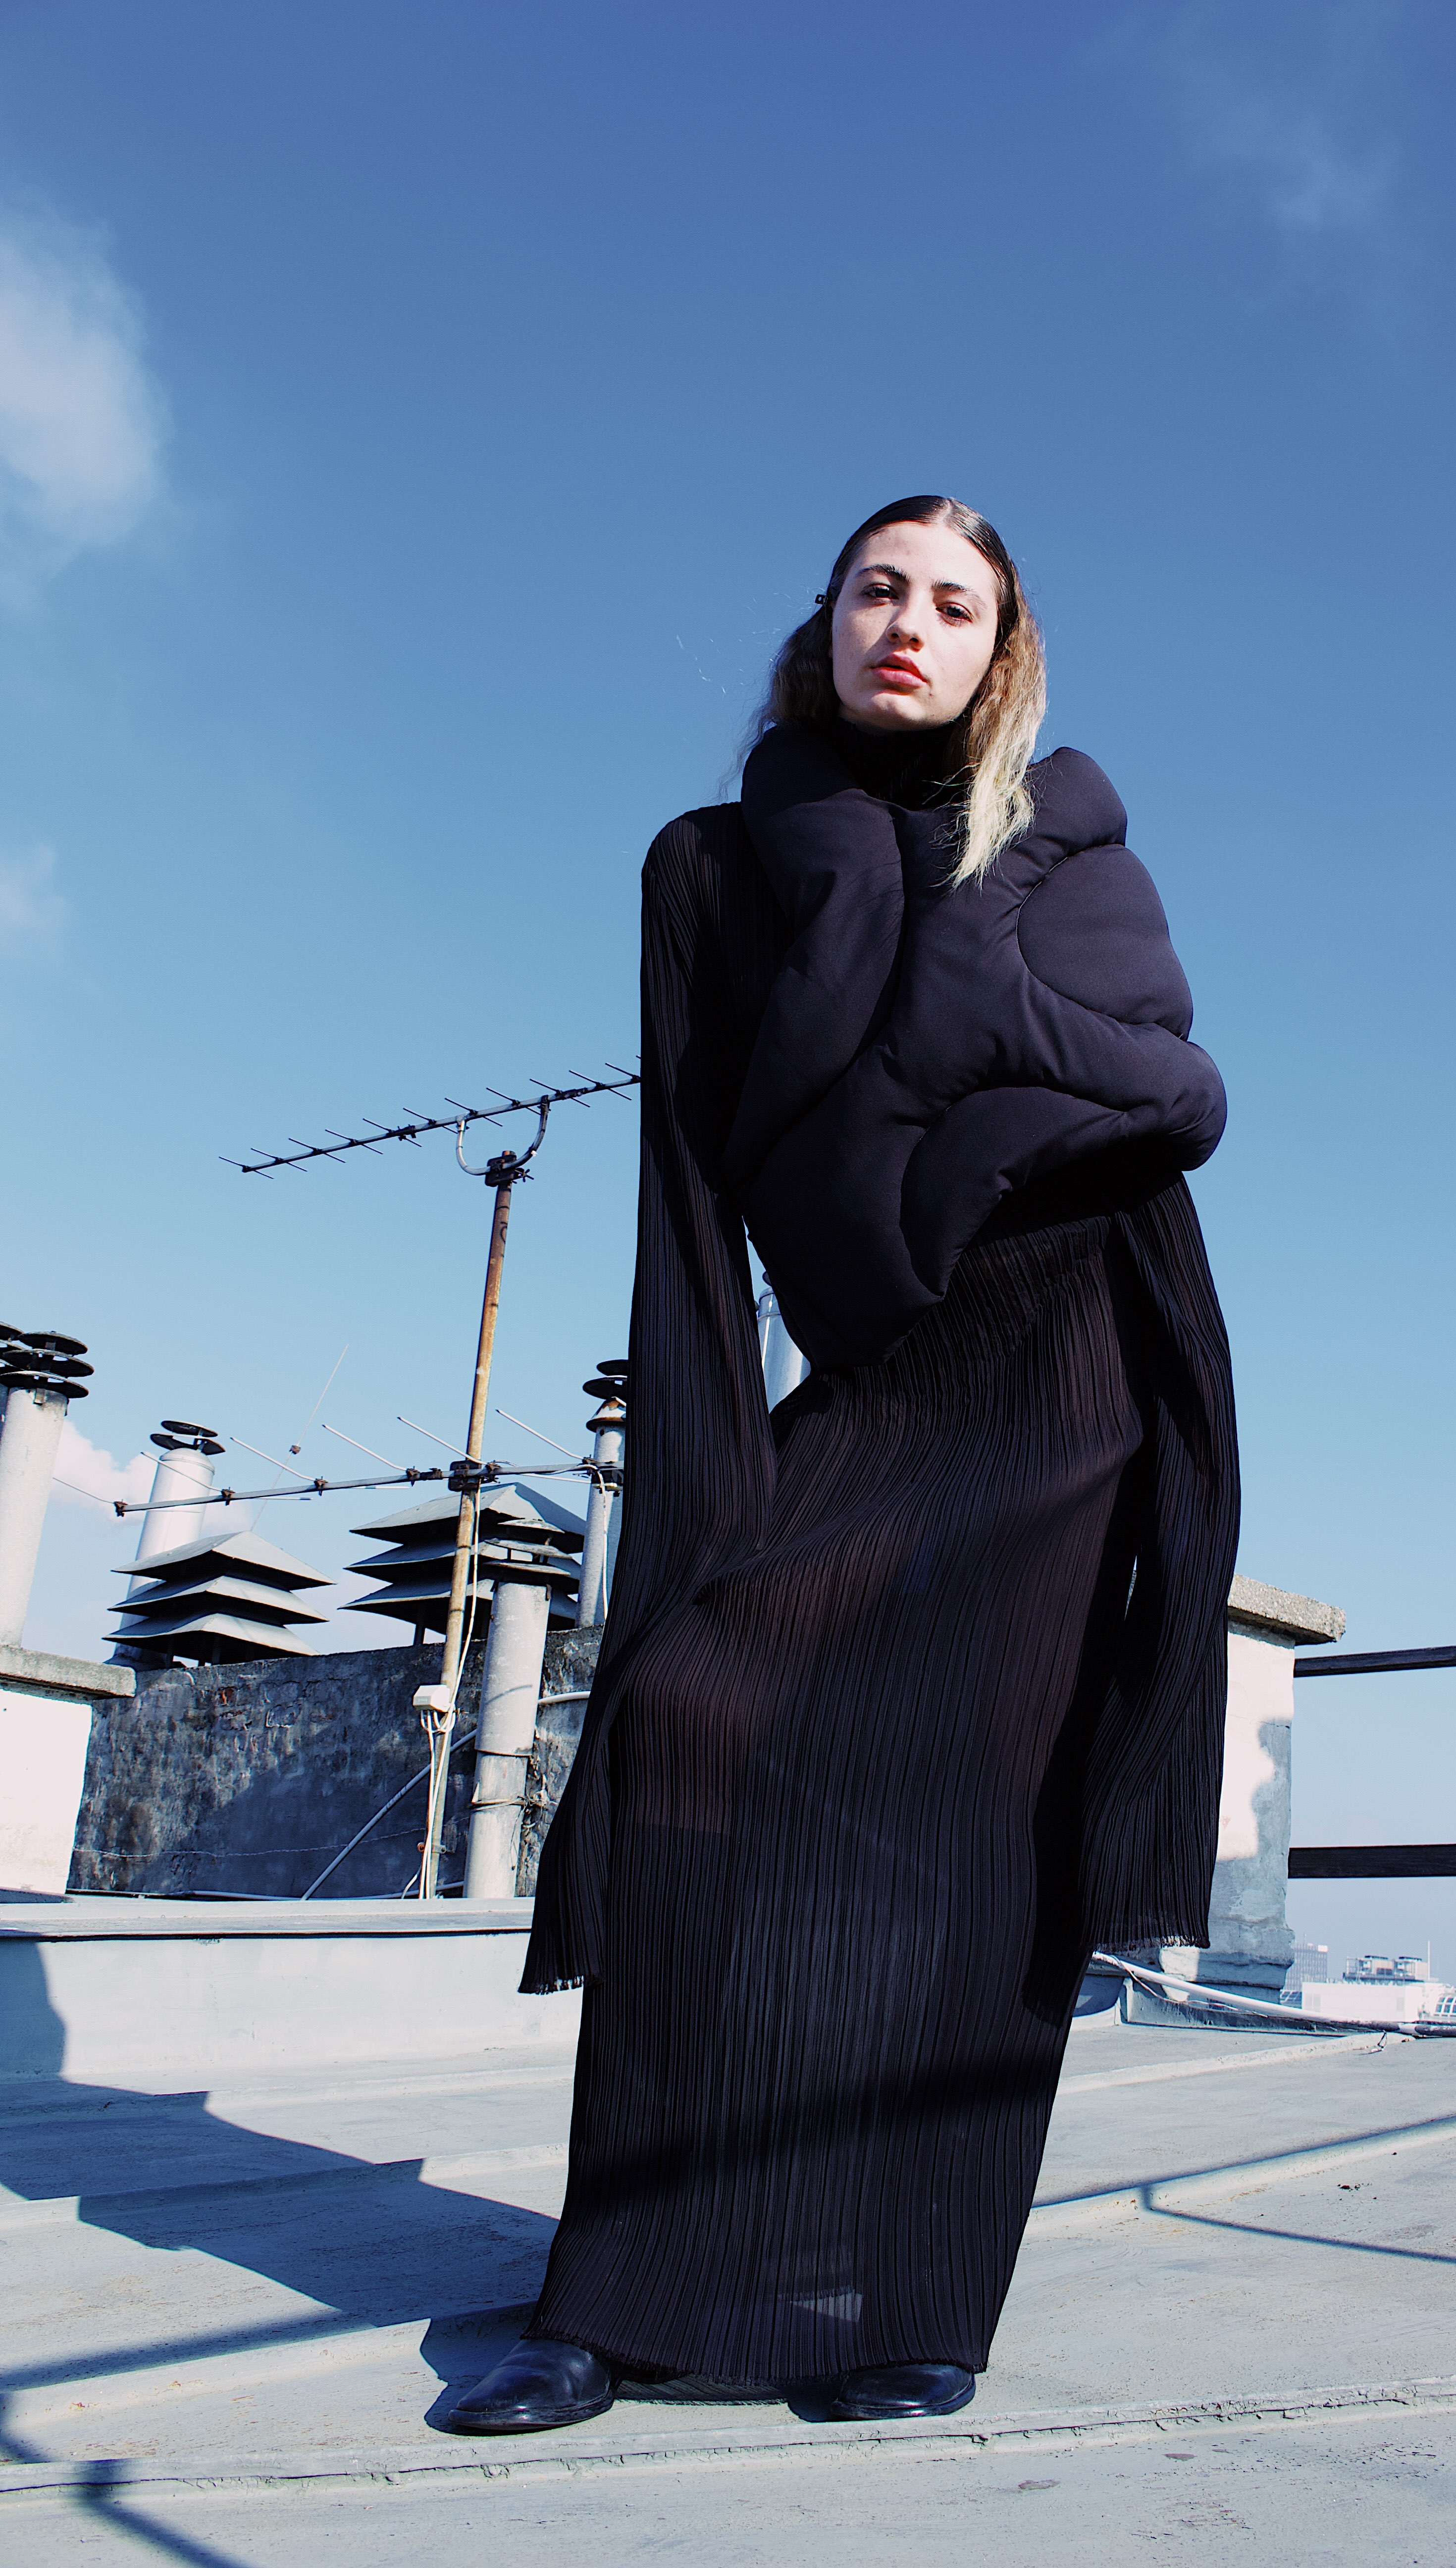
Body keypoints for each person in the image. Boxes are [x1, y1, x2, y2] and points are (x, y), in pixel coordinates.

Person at [449, 495, 1239, 2434]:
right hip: (880, 1362)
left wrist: (980, 1034)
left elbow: (1172, 1094)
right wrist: (702, 1469)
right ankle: (617, 2293)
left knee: (983, 1816)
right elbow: (689, 1180)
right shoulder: (708, 865)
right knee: (693, 1713)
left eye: (956, 603)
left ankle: (918, 2299)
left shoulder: (1063, 837)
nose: (912, 624)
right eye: (881, 588)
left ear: (1000, 652)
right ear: (823, 622)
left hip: (1073, 1343)